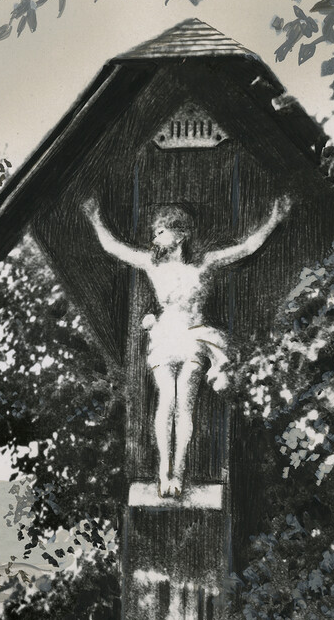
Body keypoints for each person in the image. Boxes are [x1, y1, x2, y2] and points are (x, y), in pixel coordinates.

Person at [82, 195, 292, 497]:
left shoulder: (205, 263)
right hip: (165, 337)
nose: (156, 237)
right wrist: (96, 219)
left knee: (184, 406)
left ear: (181, 233)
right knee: (166, 400)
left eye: (162, 230)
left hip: (193, 336)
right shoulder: (152, 264)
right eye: (155, 231)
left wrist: (274, 219)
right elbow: (113, 248)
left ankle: (177, 474)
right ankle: (162, 471)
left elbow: (246, 248)